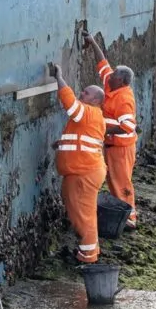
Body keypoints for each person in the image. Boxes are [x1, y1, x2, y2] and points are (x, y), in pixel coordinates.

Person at [50, 64, 107, 263]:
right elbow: (83, 139)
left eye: (86, 93)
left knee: (83, 216)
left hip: (84, 173)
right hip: (84, 172)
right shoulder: (93, 116)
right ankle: (89, 252)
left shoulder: (89, 112)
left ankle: (88, 257)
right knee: (83, 213)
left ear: (96, 101)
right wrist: (62, 143)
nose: (82, 93)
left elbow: (70, 104)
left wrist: (60, 77)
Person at [82, 30, 139, 230]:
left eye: (114, 74)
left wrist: (103, 128)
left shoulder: (124, 99)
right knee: (112, 180)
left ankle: (129, 217)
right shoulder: (111, 85)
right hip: (110, 144)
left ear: (121, 81)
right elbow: (102, 64)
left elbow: (127, 127)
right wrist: (92, 42)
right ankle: (123, 214)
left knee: (121, 182)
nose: (110, 75)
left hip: (121, 148)